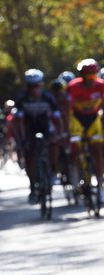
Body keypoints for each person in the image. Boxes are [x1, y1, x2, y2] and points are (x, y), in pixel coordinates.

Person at [14, 69, 63, 203]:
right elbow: (18, 122)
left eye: (37, 85)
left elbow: (57, 118)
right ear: (27, 86)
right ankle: (32, 186)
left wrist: (59, 134)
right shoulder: (22, 98)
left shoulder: (48, 97)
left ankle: (53, 170)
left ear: (41, 85)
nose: (34, 89)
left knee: (54, 143)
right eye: (31, 86)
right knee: (29, 155)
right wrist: (21, 139)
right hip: (29, 126)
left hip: (45, 125)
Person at [67, 58, 104, 202]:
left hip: (93, 120)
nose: (91, 79)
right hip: (77, 120)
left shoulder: (101, 85)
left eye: (93, 76)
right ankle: (78, 178)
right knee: (76, 149)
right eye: (88, 76)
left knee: (97, 151)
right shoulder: (73, 86)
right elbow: (68, 109)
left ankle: (101, 186)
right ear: (82, 76)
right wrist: (67, 129)